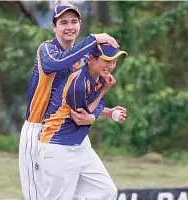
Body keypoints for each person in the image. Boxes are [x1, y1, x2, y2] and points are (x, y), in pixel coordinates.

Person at [19, 3, 127, 200]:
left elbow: (77, 102)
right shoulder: (47, 50)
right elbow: (58, 62)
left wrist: (105, 112)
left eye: (74, 22)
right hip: (38, 131)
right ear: (54, 27)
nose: (70, 27)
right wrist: (93, 39)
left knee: (104, 192)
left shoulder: (84, 58)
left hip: (67, 132)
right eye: (63, 23)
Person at [38, 44, 127, 200]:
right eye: (107, 60)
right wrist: (104, 91)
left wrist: (106, 112)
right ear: (92, 59)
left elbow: (93, 108)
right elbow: (83, 117)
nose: (111, 66)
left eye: (114, 61)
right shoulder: (78, 83)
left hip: (79, 143)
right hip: (57, 145)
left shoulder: (97, 75)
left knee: (106, 191)